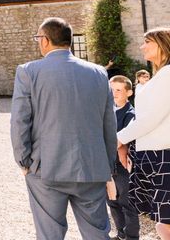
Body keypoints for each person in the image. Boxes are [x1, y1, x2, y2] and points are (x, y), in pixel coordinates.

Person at [11, 17, 116, 240]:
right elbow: (109, 123)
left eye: (38, 38)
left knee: (50, 235)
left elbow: (20, 121)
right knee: (97, 234)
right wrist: (106, 165)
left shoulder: (28, 71)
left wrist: (24, 162)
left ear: (46, 40)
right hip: (91, 167)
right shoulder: (99, 73)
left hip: (46, 168)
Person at [117, 28, 170, 240]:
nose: (142, 46)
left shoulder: (167, 75)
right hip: (154, 156)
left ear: (162, 44)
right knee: (162, 223)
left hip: (163, 157)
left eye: (147, 42)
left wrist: (119, 139)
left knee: (164, 225)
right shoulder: (161, 74)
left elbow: (150, 118)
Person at [107, 75, 139, 240]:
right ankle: (121, 234)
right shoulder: (106, 111)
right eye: (112, 90)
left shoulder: (130, 114)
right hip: (107, 164)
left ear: (129, 92)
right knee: (112, 201)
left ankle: (132, 236)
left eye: (119, 90)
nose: (114, 93)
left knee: (127, 203)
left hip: (122, 165)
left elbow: (122, 139)